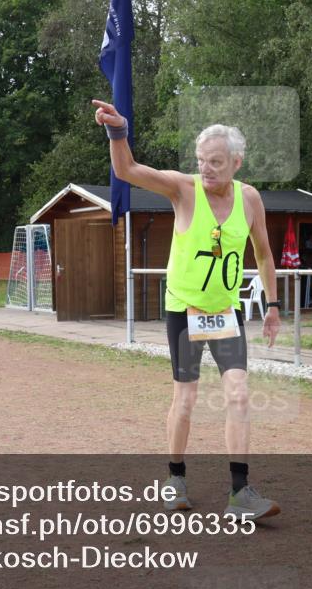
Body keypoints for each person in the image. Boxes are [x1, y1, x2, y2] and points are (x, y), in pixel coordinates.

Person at [92, 99, 282, 521]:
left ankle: (240, 493)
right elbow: (127, 170)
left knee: (239, 394)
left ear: (236, 162)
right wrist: (118, 132)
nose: (206, 169)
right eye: (201, 160)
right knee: (187, 398)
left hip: (226, 312)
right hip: (185, 310)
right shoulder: (184, 189)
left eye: (215, 162)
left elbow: (264, 254)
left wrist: (272, 305)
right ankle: (175, 479)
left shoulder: (250, 199)